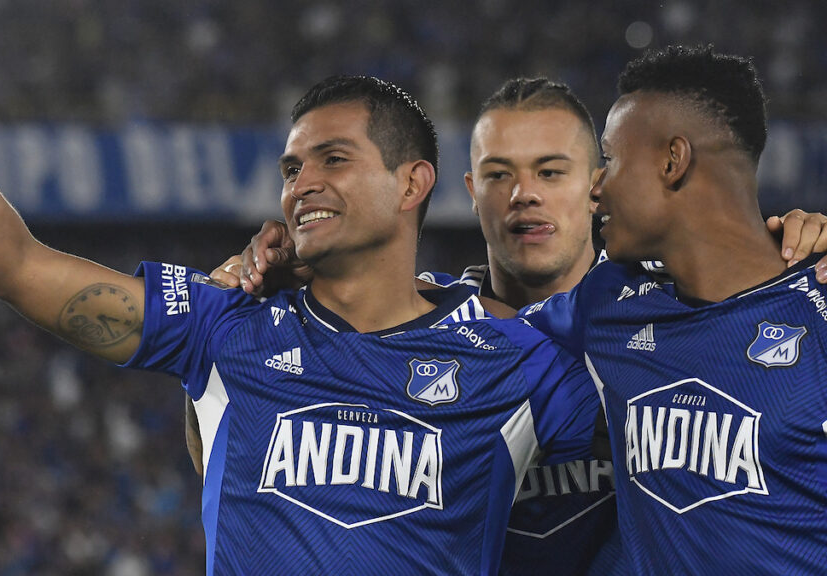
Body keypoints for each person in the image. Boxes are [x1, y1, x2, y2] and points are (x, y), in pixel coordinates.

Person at [0, 18, 603, 575]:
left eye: (333, 159)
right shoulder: (227, 323)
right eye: (292, 166)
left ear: (411, 183)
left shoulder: (515, 362)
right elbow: (11, 266)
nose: (301, 183)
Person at [205, 76, 827, 574]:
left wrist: (793, 259)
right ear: (469, 191)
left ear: (596, 187)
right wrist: (252, 293)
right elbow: (224, 446)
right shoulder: (418, 333)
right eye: (499, 175)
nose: (522, 194)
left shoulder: (664, 314)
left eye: (551, 172)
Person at [522, 45, 827, 574]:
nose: (595, 186)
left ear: (672, 160)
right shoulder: (608, 305)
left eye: (610, 159)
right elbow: (464, 331)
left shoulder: (818, 317)